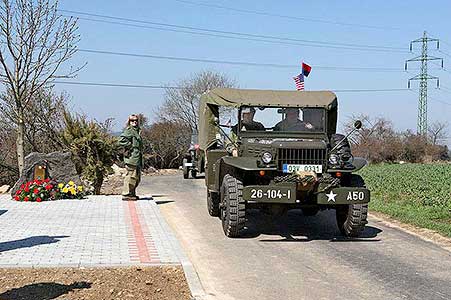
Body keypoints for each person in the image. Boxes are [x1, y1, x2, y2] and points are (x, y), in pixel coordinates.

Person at [118, 114, 143, 201]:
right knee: (130, 175)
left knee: (136, 177)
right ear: (129, 121)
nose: (134, 122)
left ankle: (131, 193)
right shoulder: (129, 130)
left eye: (136, 120)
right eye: (132, 120)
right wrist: (130, 146)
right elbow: (120, 141)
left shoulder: (137, 130)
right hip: (132, 157)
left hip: (137, 157)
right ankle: (126, 193)